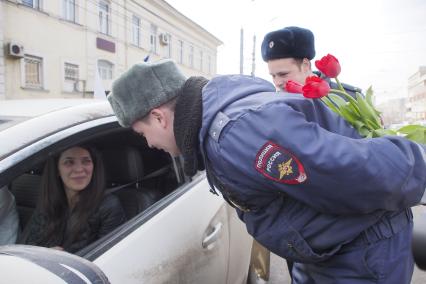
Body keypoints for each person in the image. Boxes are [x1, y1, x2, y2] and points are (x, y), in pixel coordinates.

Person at [107, 59, 426, 283]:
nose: (147, 145)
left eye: (141, 133)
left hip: (360, 257)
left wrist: (419, 163)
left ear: (159, 117)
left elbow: (356, 174)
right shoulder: (216, 124)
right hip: (331, 254)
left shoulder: (238, 136)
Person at [20, 145, 126, 253]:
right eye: (69, 162)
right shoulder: (49, 203)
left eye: (86, 161)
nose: (79, 169)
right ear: (57, 170)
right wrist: (44, 254)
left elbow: (108, 257)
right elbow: (30, 245)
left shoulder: (109, 206)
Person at [261, 26, 361, 96]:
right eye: (273, 76)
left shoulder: (349, 97)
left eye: (283, 74)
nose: (277, 83)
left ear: (305, 65)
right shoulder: (274, 103)